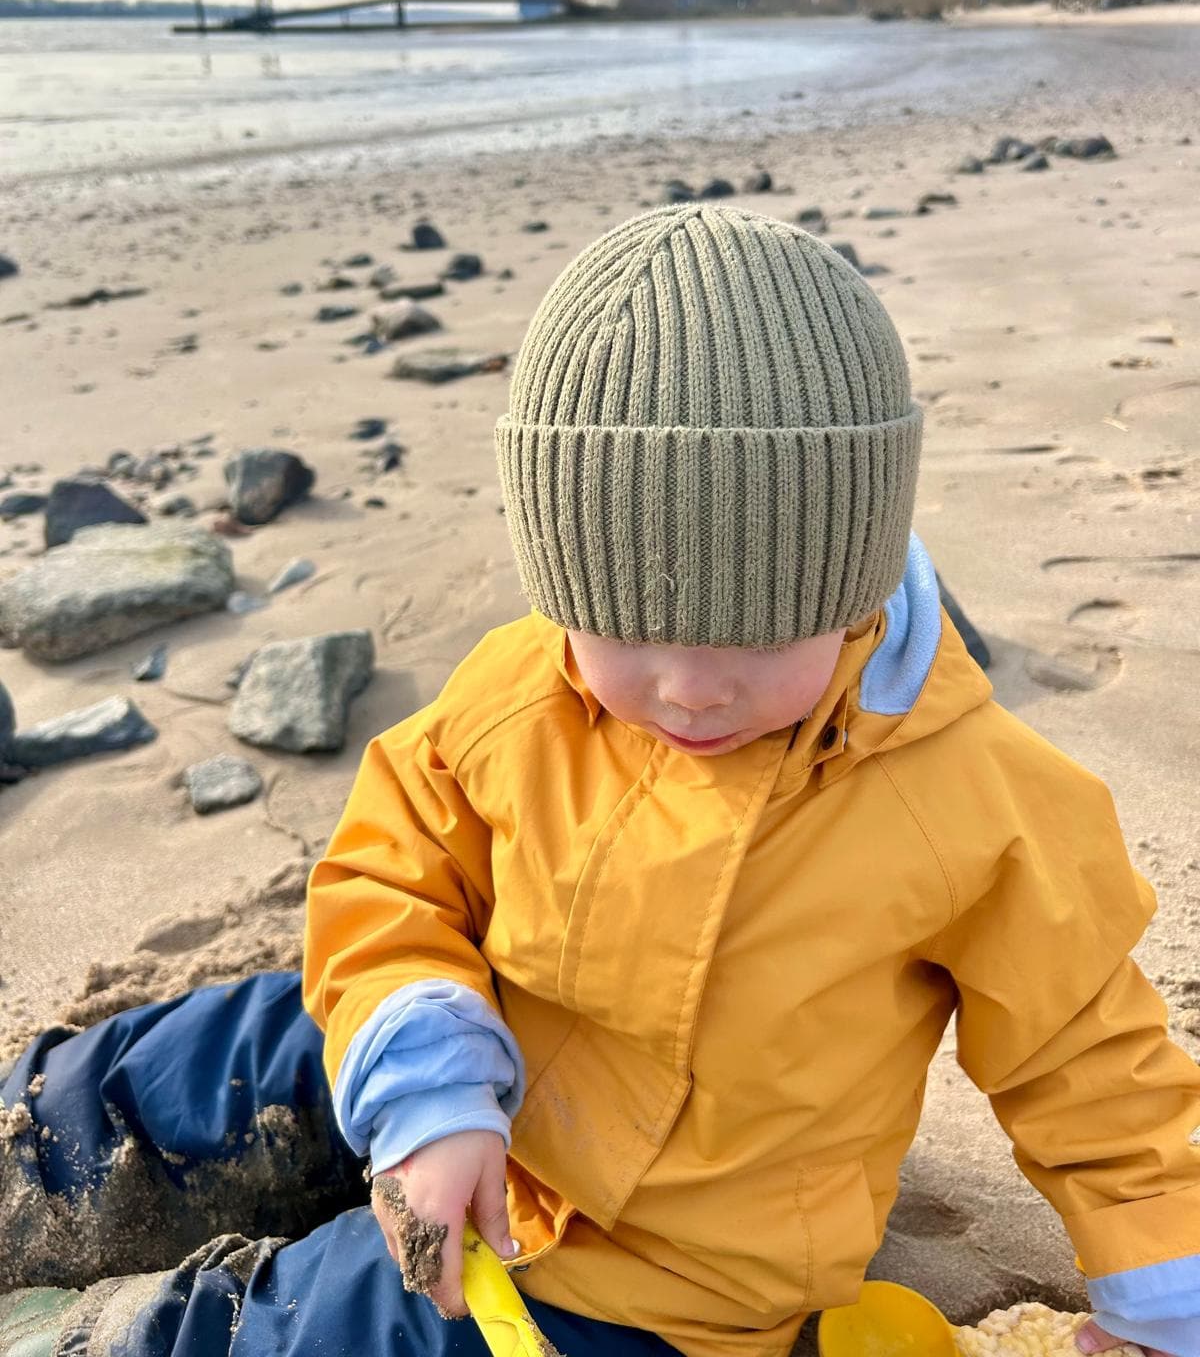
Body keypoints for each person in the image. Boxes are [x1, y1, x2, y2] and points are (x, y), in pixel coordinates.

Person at [2, 207, 1198, 1357]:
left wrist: (1169, 1292)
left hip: (641, 1275)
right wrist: (424, 1063)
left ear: (855, 582)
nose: (687, 690)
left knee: (315, 1332)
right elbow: (389, 864)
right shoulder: (525, 686)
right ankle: (40, 1148)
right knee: (245, 1041)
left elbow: (1097, 1066)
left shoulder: (978, 803)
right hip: (468, 1053)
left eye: (753, 638)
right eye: (627, 628)